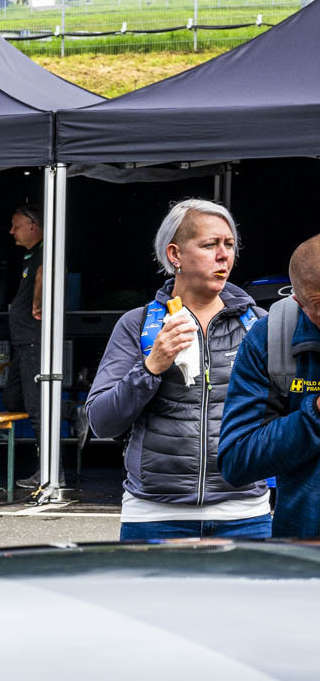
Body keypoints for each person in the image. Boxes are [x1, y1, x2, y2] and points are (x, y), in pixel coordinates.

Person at [87, 199, 271, 541]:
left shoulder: (257, 324)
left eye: (229, 245)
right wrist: (151, 367)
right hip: (155, 515)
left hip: (244, 514)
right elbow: (101, 422)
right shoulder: (138, 324)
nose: (223, 255)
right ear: (175, 255)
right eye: (209, 244)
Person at [220, 235, 320, 538]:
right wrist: (314, 414)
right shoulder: (271, 339)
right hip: (306, 556)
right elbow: (237, 459)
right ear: (298, 302)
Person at [5, 205, 45, 483]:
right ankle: (73, 411)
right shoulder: (30, 255)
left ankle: (50, 473)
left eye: (15, 225)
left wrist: (37, 303)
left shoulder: (44, 251)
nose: (12, 231)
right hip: (21, 341)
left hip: (32, 339)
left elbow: (44, 275)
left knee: (37, 409)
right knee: (12, 399)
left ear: (32, 225)